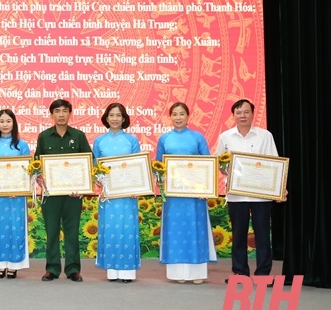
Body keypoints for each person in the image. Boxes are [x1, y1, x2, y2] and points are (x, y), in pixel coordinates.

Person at [215, 99, 282, 283]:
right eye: (239, 112)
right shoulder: (226, 137)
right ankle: (240, 273)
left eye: (246, 112)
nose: (242, 115)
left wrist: (278, 187)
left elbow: (274, 163)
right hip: (236, 195)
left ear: (253, 113)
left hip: (261, 195)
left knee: (262, 234)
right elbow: (219, 163)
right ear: (233, 115)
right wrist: (225, 167)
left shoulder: (265, 135)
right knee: (238, 235)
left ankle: (263, 274)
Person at [155, 102, 216, 284]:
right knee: (175, 231)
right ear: (170, 117)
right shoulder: (164, 139)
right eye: (175, 114)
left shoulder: (198, 137)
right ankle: (177, 274)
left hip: (194, 194)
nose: (178, 117)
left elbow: (208, 164)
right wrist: (161, 181)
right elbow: (158, 165)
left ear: (188, 116)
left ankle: (196, 273)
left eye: (182, 114)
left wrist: (206, 188)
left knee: (195, 229)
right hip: (173, 195)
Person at [35, 99, 92, 282]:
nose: (61, 114)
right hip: (51, 194)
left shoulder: (79, 136)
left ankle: (73, 269)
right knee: (51, 231)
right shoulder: (44, 136)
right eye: (57, 111)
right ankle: (52, 268)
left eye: (64, 111)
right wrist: (39, 176)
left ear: (70, 113)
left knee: (72, 231)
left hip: (72, 195)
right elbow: (37, 164)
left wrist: (83, 186)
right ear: (51, 115)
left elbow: (89, 163)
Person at [92, 103, 141, 283]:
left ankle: (128, 272)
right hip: (108, 194)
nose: (114, 119)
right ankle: (111, 271)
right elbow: (95, 165)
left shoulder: (132, 140)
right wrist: (97, 177)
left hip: (128, 194)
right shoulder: (99, 141)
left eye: (118, 115)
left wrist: (137, 187)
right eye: (111, 115)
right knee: (110, 229)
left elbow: (138, 166)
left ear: (124, 118)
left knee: (127, 229)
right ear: (106, 118)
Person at [0, 109, 31, 279]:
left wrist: (17, 189)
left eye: (8, 121)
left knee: (14, 228)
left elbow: (28, 170)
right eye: (1, 121)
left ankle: (14, 264)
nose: (5, 124)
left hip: (16, 196)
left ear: (14, 123)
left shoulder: (22, 145)